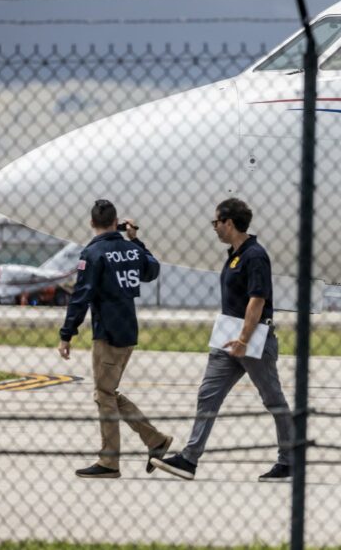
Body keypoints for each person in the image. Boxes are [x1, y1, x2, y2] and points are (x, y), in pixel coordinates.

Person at [152, 198, 294, 481]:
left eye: (216, 222)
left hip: (252, 339)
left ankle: (289, 460)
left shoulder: (255, 255)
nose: (214, 227)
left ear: (229, 223)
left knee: (273, 399)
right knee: (208, 394)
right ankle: (189, 459)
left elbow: (258, 299)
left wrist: (243, 339)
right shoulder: (236, 254)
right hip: (228, 337)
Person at [59, 199, 172, 479]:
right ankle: (154, 440)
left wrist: (67, 334)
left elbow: (81, 296)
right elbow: (152, 269)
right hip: (128, 330)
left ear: (91, 223)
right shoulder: (132, 249)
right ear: (117, 222)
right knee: (107, 392)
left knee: (104, 395)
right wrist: (137, 240)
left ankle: (111, 460)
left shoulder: (93, 253)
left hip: (107, 333)